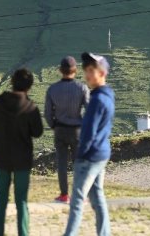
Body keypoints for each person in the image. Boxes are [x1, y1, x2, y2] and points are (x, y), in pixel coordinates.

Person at [0, 68, 44, 236]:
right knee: (22, 201)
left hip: (1, 158)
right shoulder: (31, 107)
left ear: (11, 83)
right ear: (29, 86)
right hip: (22, 161)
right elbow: (38, 132)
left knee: (1, 199)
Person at [63, 52, 115, 236]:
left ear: (102, 73)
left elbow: (88, 133)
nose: (87, 75)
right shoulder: (107, 96)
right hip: (101, 153)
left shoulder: (96, 100)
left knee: (77, 200)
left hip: (89, 156)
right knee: (97, 196)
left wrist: (80, 156)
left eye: (91, 70)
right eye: (86, 70)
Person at [44, 56, 90, 203]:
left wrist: (53, 125)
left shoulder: (53, 89)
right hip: (77, 130)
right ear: (75, 71)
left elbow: (47, 112)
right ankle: (79, 194)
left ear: (60, 71)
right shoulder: (82, 88)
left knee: (62, 163)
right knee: (79, 163)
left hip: (60, 130)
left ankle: (64, 194)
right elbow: (89, 109)